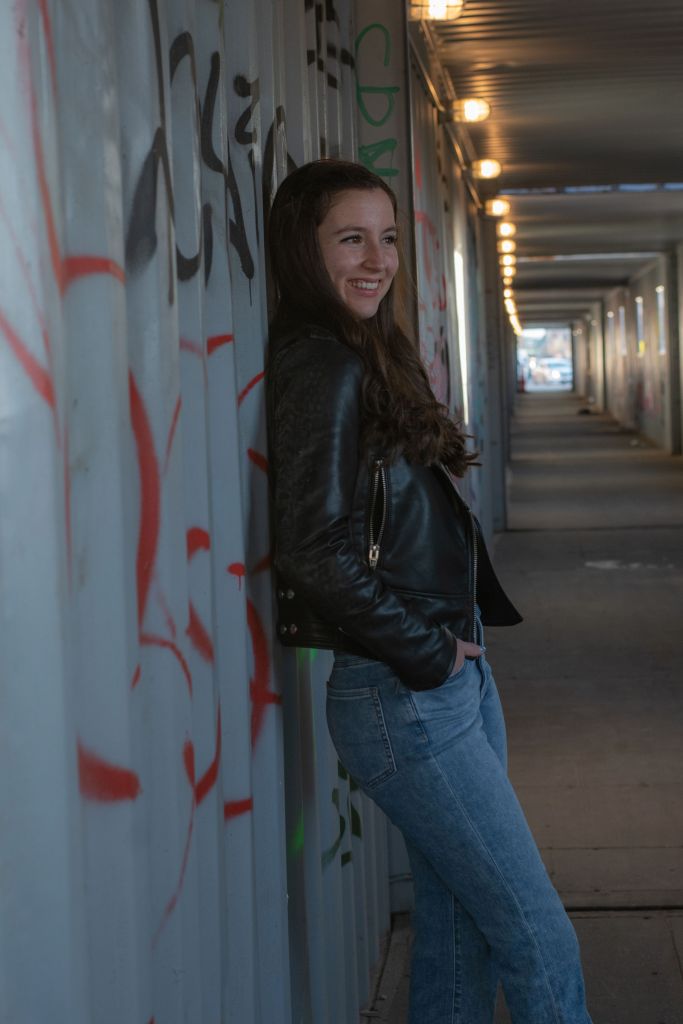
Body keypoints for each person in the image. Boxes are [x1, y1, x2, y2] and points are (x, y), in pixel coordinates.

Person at [266, 158, 592, 1024]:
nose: (375, 259)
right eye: (349, 239)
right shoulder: (319, 364)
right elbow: (311, 549)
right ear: (305, 249)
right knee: (535, 935)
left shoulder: (364, 350)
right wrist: (429, 655)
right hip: (405, 690)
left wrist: (451, 655)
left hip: (441, 678)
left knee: (457, 927)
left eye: (386, 239)